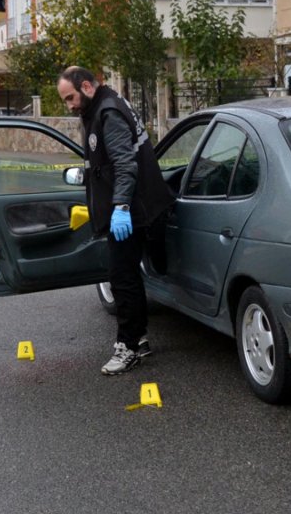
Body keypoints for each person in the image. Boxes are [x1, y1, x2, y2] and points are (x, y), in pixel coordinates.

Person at [56, 66, 175, 376]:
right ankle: (139, 338)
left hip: (133, 210)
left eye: (70, 97)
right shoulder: (104, 106)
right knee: (127, 277)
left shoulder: (108, 113)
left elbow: (125, 164)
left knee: (122, 278)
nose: (69, 105)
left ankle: (129, 346)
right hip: (136, 207)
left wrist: (120, 206)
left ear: (86, 86)